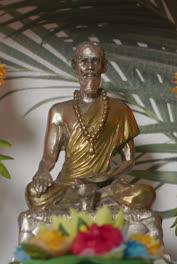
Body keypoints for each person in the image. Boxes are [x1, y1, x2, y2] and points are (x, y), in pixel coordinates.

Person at [25, 42, 155, 211]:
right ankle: (90, 203)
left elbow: (129, 159)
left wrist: (107, 176)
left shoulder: (119, 109)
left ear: (104, 65)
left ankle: (91, 200)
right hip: (69, 185)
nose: (90, 67)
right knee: (34, 193)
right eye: (84, 61)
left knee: (145, 194)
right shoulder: (59, 110)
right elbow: (49, 157)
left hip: (104, 186)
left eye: (95, 61)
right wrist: (42, 172)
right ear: (74, 65)